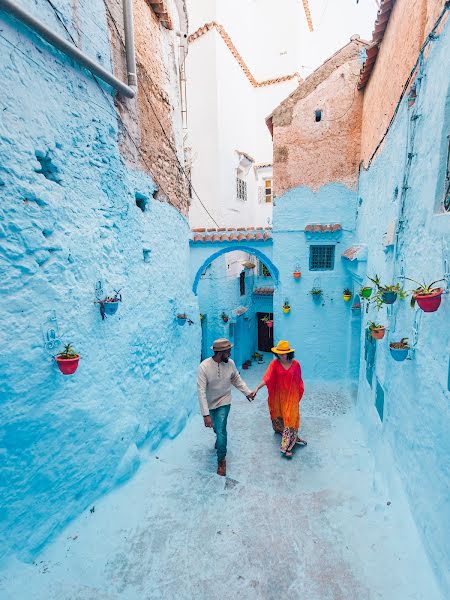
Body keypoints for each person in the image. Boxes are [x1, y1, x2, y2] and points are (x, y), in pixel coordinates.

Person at [197, 338, 254, 476]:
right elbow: (201, 391)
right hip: (210, 403)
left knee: (221, 428)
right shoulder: (204, 367)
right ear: (220, 352)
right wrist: (206, 415)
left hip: (224, 400)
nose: (229, 354)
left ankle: (221, 459)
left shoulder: (230, 364)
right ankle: (219, 439)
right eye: (227, 352)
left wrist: (247, 392)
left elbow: (236, 379)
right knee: (216, 427)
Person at [252, 340, 306, 458]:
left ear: (288, 353)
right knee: (280, 414)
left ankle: (286, 446)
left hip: (291, 396)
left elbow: (299, 381)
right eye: (279, 353)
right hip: (278, 395)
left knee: (290, 417)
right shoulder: (274, 364)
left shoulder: (296, 364)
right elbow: (267, 378)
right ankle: (281, 430)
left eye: (284, 353)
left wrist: (297, 396)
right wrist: (257, 388)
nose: (281, 355)